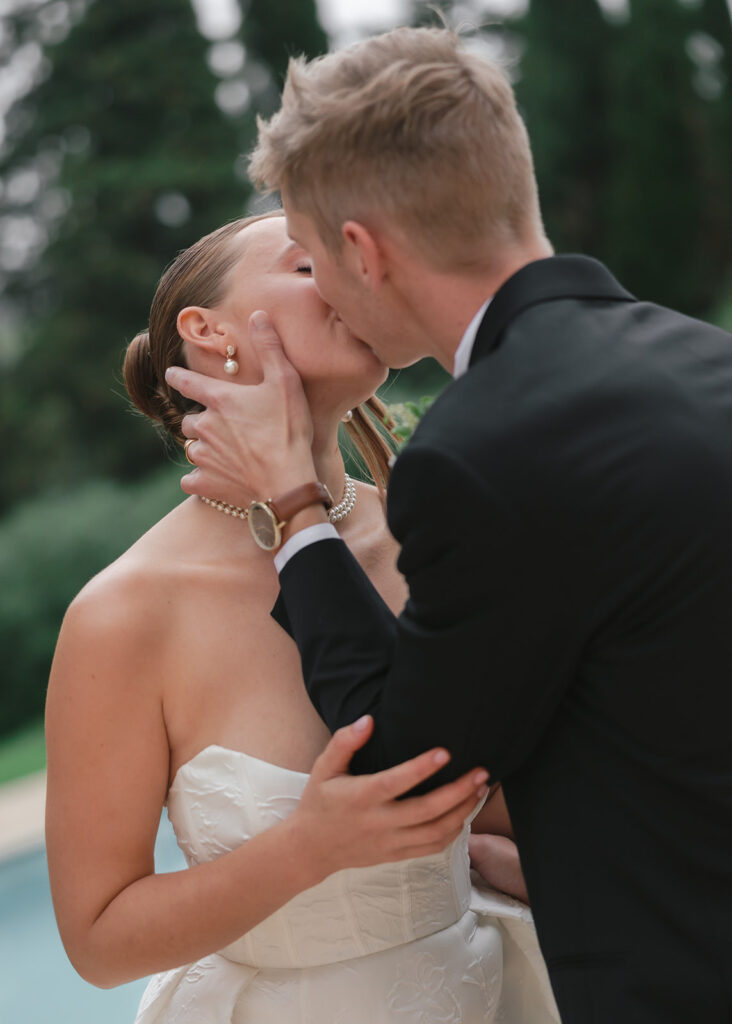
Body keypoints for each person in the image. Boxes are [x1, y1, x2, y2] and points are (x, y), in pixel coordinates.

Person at [166, 26, 732, 1024]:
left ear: (362, 251)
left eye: (310, 257)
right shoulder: (704, 358)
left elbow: (406, 765)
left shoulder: (475, 457)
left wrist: (296, 510)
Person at [45, 210, 559, 1023]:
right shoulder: (124, 613)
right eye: (307, 265)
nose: (356, 278)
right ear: (208, 332)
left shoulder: (433, 530)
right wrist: (310, 848)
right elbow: (98, 940)